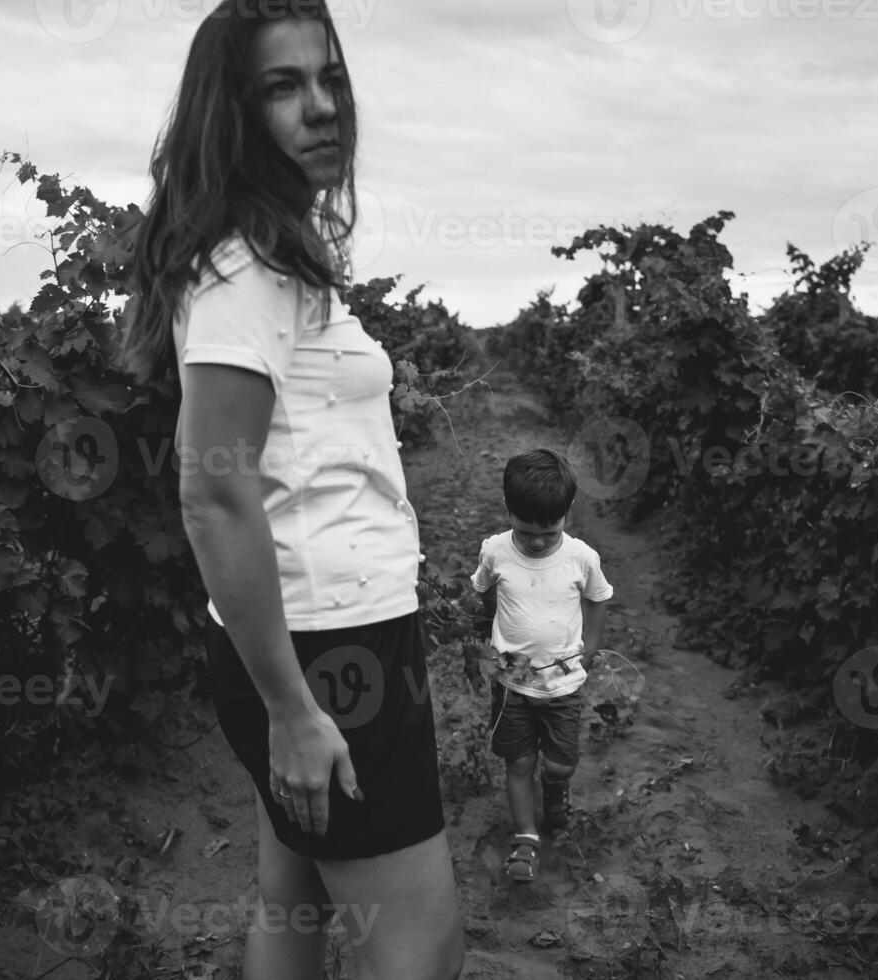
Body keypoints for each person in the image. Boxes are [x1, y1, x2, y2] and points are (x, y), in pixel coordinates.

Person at [118, 3, 465, 978]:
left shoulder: (270, 254)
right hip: (328, 654)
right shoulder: (248, 271)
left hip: (319, 640)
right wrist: (296, 708)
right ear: (231, 111)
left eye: (330, 81)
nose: (321, 108)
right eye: (283, 86)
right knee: (420, 950)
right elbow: (213, 491)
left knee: (298, 901)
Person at [465, 448, 613, 882]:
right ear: (509, 510)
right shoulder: (494, 551)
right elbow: (482, 593)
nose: (536, 541)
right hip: (511, 682)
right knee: (519, 762)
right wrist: (481, 639)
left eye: (548, 533)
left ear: (567, 512)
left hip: (563, 684)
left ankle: (556, 788)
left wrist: (590, 645)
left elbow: (599, 598)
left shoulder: (581, 557)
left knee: (560, 762)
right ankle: (526, 836)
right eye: (526, 530)